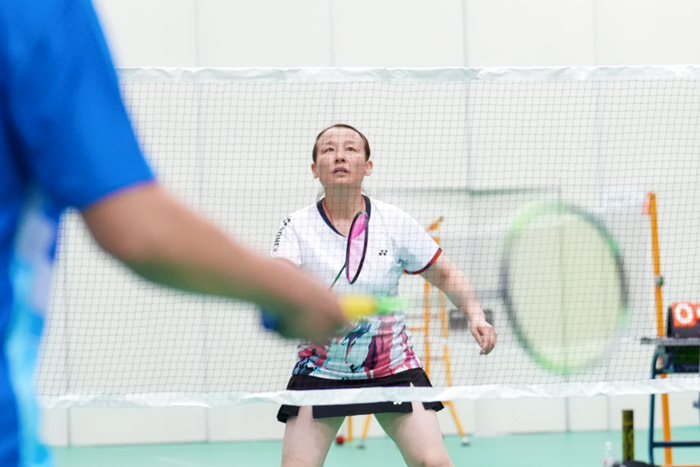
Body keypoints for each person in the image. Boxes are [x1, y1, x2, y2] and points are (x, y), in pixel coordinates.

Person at [0, 1, 347, 466]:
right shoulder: (39, 12)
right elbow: (139, 229)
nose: (339, 157)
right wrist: (295, 295)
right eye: (330, 149)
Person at [271, 124, 497, 467]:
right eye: (329, 149)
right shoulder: (296, 226)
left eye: (350, 149)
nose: (340, 156)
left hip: (392, 368)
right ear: (315, 169)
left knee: (434, 462)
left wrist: (475, 313)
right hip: (320, 370)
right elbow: (280, 281)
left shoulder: (394, 222)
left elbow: (446, 274)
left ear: (368, 166)